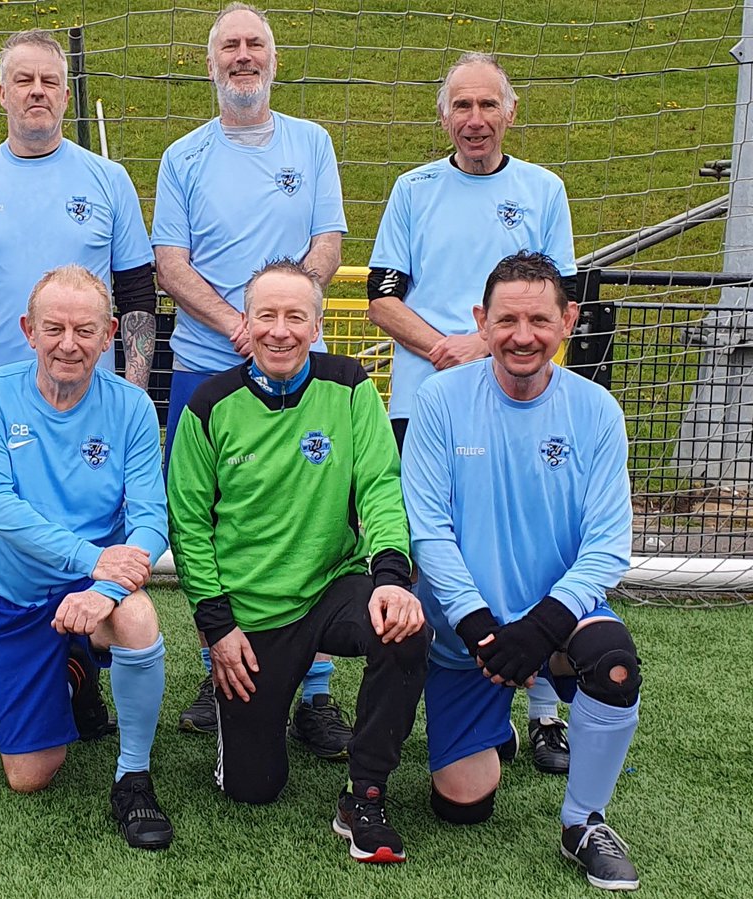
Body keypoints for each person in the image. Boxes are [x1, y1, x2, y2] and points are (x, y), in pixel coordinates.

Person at [0, 29, 157, 742]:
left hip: (87, 401)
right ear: (0, 93)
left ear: (65, 92)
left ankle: (79, 670)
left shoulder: (105, 179)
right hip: (1, 411)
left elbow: (139, 290)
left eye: (48, 82)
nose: (35, 92)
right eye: (21, 80)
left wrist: (136, 384)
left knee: (98, 532)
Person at [167, 259, 428, 863]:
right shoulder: (209, 405)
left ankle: (365, 792)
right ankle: (262, 721)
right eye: (266, 316)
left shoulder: (350, 385)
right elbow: (188, 527)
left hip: (334, 585)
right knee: (252, 790)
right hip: (253, 614)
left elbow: (382, 487)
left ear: (316, 327)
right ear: (246, 324)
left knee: (405, 630)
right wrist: (218, 629)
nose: (279, 331)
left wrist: (390, 578)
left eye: (295, 317)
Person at [401, 252, 641, 891]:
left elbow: (608, 545)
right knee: (462, 808)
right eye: (506, 319)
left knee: (613, 663)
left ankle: (582, 822)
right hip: (468, 635)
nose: (523, 335)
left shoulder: (596, 412)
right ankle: (498, 719)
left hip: (556, 624)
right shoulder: (440, 399)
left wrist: (541, 628)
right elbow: (429, 529)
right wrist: (480, 625)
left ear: (568, 320)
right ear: (482, 322)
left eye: (539, 319)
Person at [367, 52, 579, 773]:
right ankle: (450, 708)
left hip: (519, 401)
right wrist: (446, 348)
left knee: (535, 546)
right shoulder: (412, 188)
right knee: (431, 549)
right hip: (422, 401)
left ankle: (546, 711)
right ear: (444, 115)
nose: (476, 119)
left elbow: (556, 299)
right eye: (462, 106)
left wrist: (491, 343)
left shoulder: (544, 189)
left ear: (510, 113)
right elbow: (382, 295)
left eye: (489, 105)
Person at [151, 2, 351, 749]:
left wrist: (282, 319)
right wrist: (239, 327)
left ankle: (318, 688)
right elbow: (171, 263)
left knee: (321, 517)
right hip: (209, 368)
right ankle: (218, 660)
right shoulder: (184, 156)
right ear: (211, 63)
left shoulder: (313, 142)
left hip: (300, 370)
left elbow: (328, 242)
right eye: (229, 45)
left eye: (255, 44)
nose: (243, 55)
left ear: (273, 59)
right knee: (209, 521)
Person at [0, 265, 172, 850]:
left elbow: (151, 519)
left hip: (90, 587)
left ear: (110, 336)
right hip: (15, 595)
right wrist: (93, 559)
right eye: (54, 328)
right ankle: (75, 672)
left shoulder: (130, 405)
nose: (69, 344)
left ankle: (133, 775)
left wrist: (102, 589)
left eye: (86, 331)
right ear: (29, 331)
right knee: (28, 777)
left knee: (137, 618)